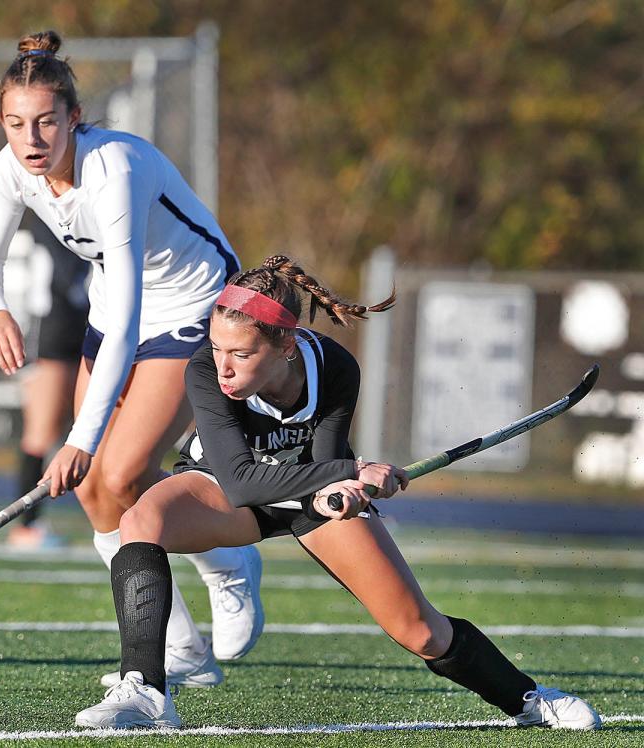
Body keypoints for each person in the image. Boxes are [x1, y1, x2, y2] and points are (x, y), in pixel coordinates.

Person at [74, 255, 602, 731]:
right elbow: (238, 482)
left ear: (285, 344)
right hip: (225, 488)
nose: (224, 364)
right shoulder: (206, 371)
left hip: (306, 498)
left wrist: (343, 489)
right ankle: (145, 691)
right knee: (141, 522)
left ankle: (532, 700)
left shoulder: (336, 367)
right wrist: (350, 472)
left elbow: (324, 465)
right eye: (217, 347)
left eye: (241, 352)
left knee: (419, 630)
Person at [0, 30, 264, 688]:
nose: (32, 138)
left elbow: (132, 313)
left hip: (192, 306)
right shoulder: (13, 168)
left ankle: (229, 560)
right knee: (97, 493)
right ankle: (183, 650)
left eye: (46, 121)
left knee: (117, 471)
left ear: (74, 117)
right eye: (16, 124)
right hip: (115, 310)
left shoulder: (115, 169)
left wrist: (79, 437)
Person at [7, 212, 90, 549]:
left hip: (78, 327)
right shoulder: (52, 218)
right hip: (52, 332)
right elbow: (64, 277)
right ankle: (25, 526)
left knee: (74, 428)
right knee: (40, 432)